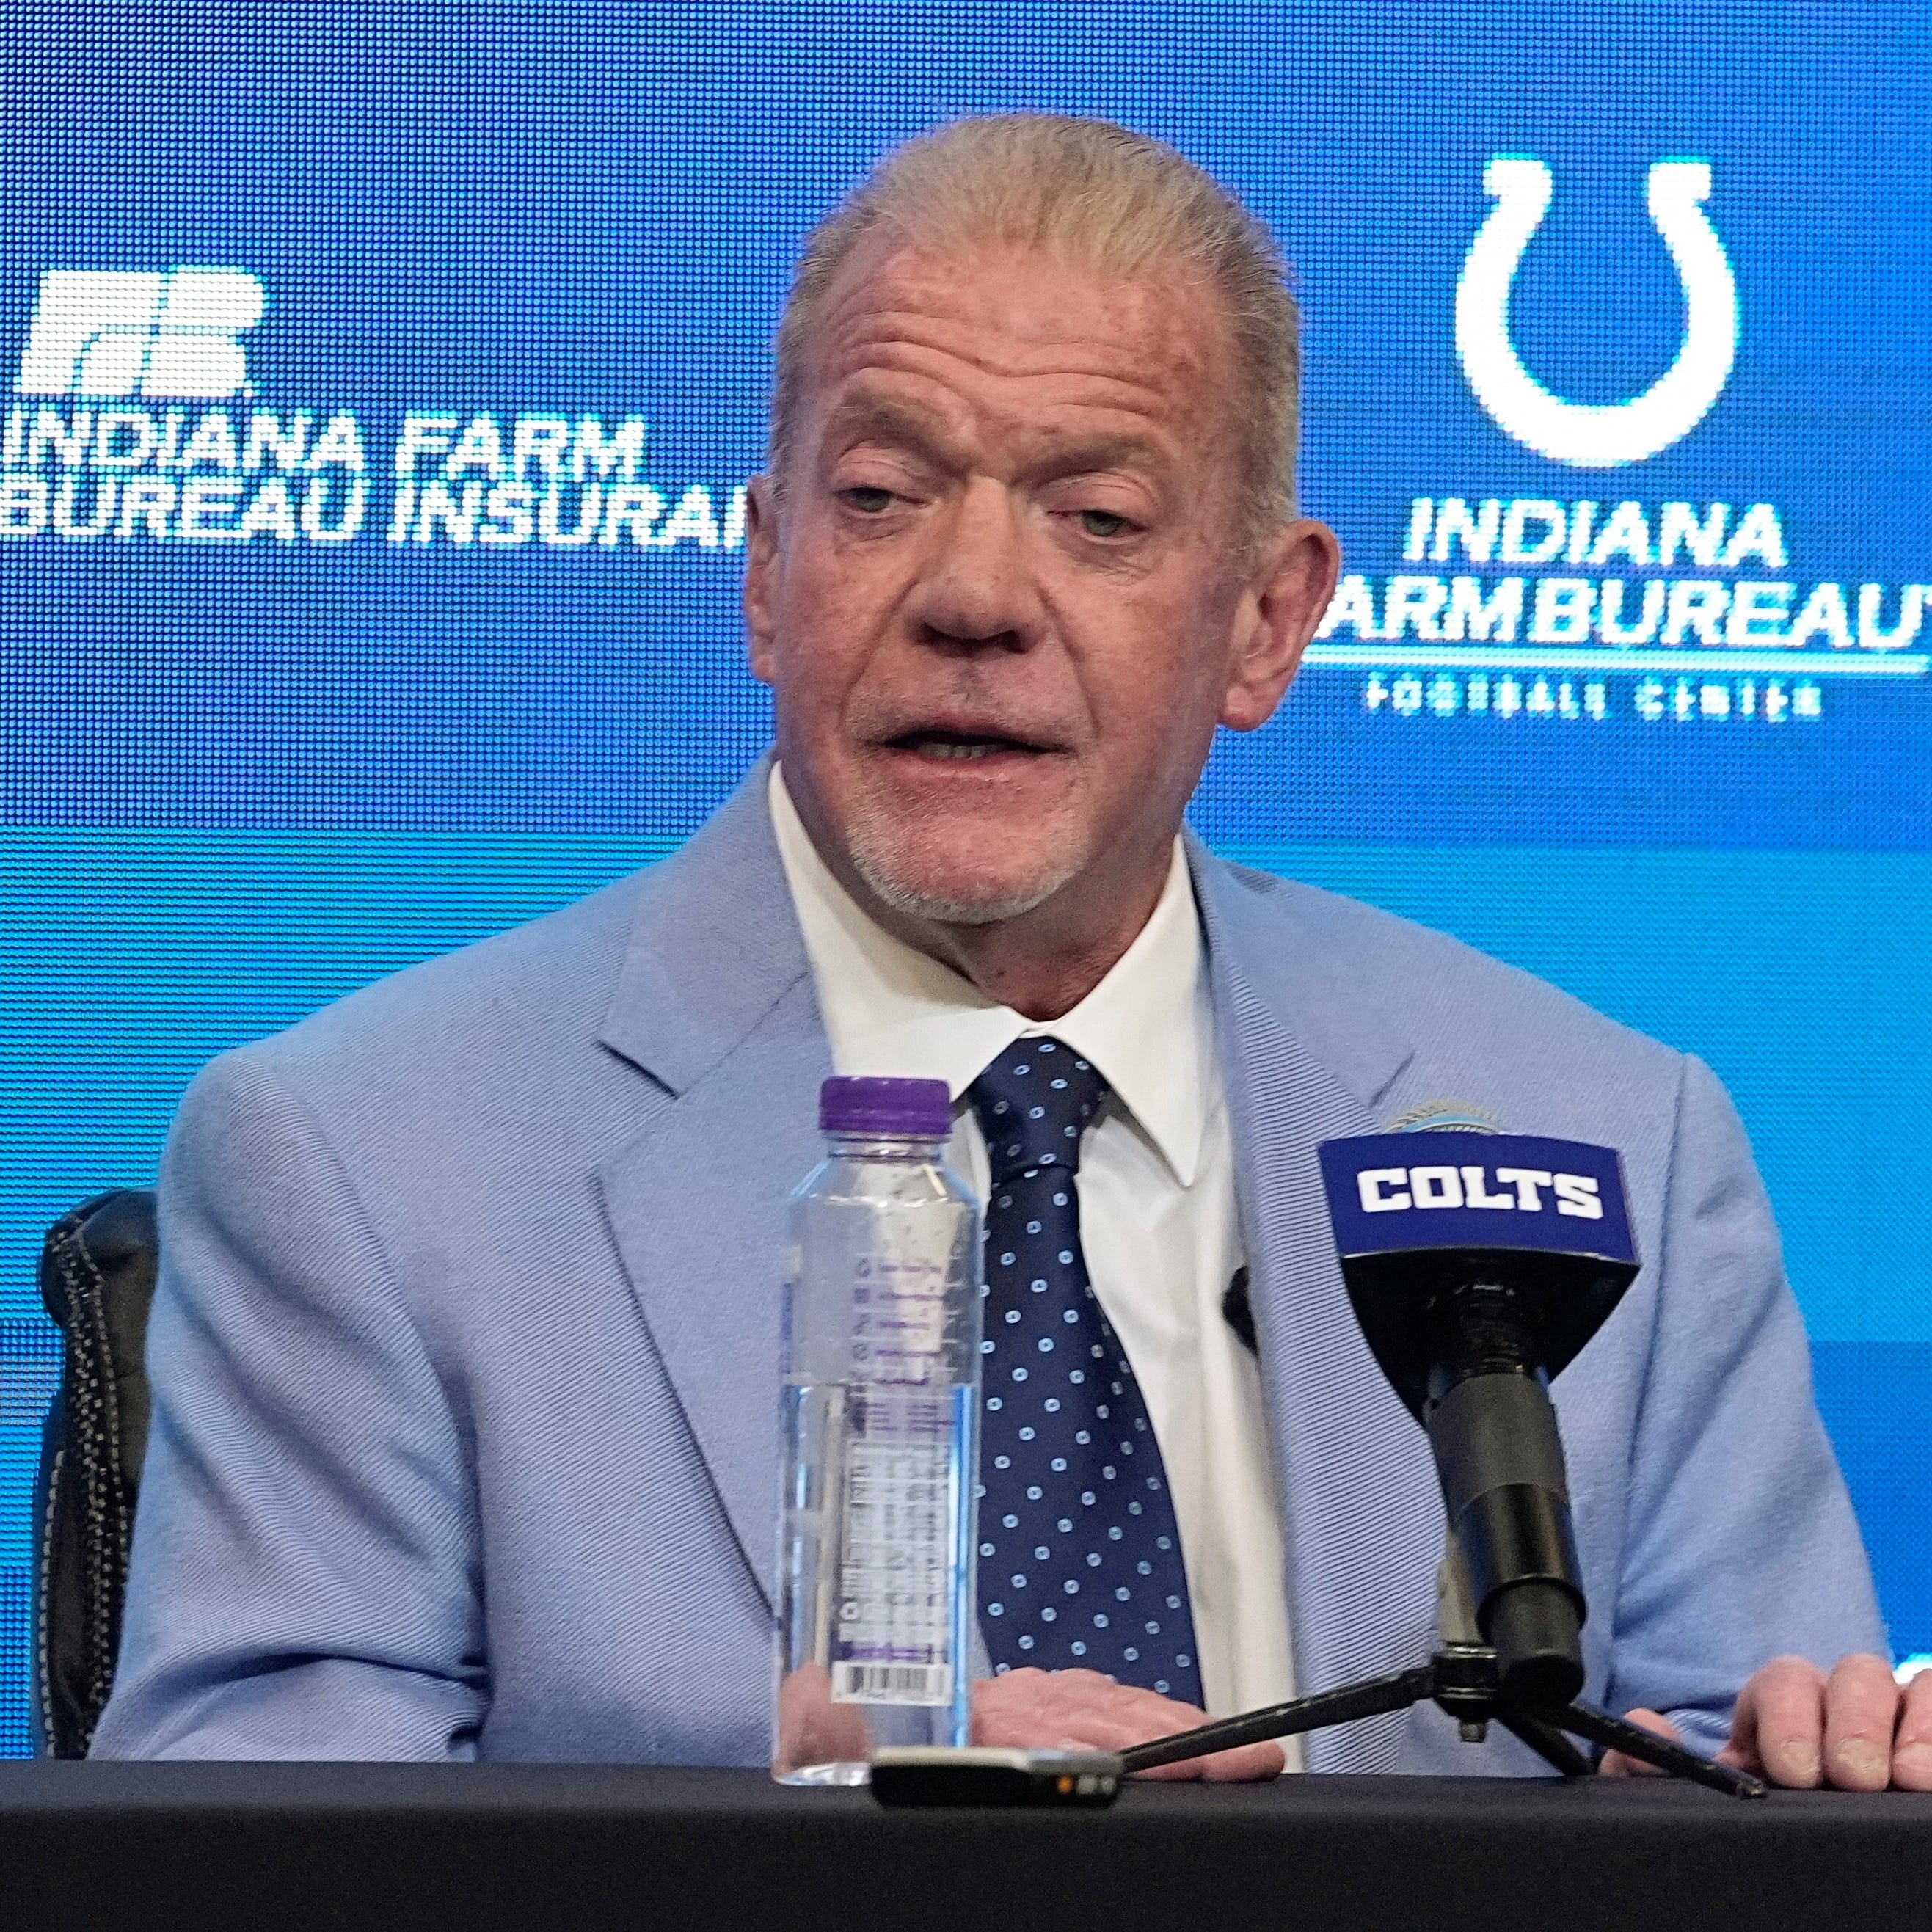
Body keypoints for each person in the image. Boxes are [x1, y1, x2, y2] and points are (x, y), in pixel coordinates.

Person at [95, 114, 1928, 1788]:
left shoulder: (1604, 1137)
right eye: (881, 497)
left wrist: (1823, 1770)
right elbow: (248, 1830)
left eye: (1099, 519)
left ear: (1266, 624)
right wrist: (792, 1776)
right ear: (763, 571)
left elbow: (1743, 1767)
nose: (972, 598)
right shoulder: (363, 1159)